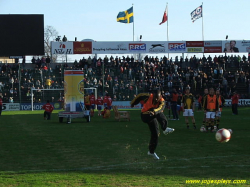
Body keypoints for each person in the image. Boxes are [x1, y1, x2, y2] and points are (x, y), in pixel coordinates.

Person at [130, 90, 175, 160]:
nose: (156, 99)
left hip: (153, 115)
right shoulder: (147, 96)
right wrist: (133, 103)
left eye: (158, 98)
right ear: (153, 95)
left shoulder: (162, 101)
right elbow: (139, 96)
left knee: (156, 134)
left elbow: (160, 108)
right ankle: (165, 128)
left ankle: (151, 151)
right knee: (154, 110)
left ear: (160, 97)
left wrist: (154, 112)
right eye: (155, 97)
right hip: (145, 115)